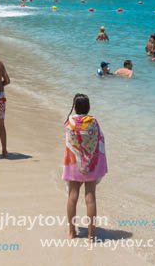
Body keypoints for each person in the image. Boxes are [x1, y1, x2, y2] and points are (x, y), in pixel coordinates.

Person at [63, 94, 107, 241]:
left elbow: (70, 142)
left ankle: (71, 232)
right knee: (90, 198)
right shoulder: (93, 122)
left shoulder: (70, 123)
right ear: (88, 107)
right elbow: (100, 139)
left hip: (74, 163)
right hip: (90, 165)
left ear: (74, 107)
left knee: (72, 196)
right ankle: (91, 235)